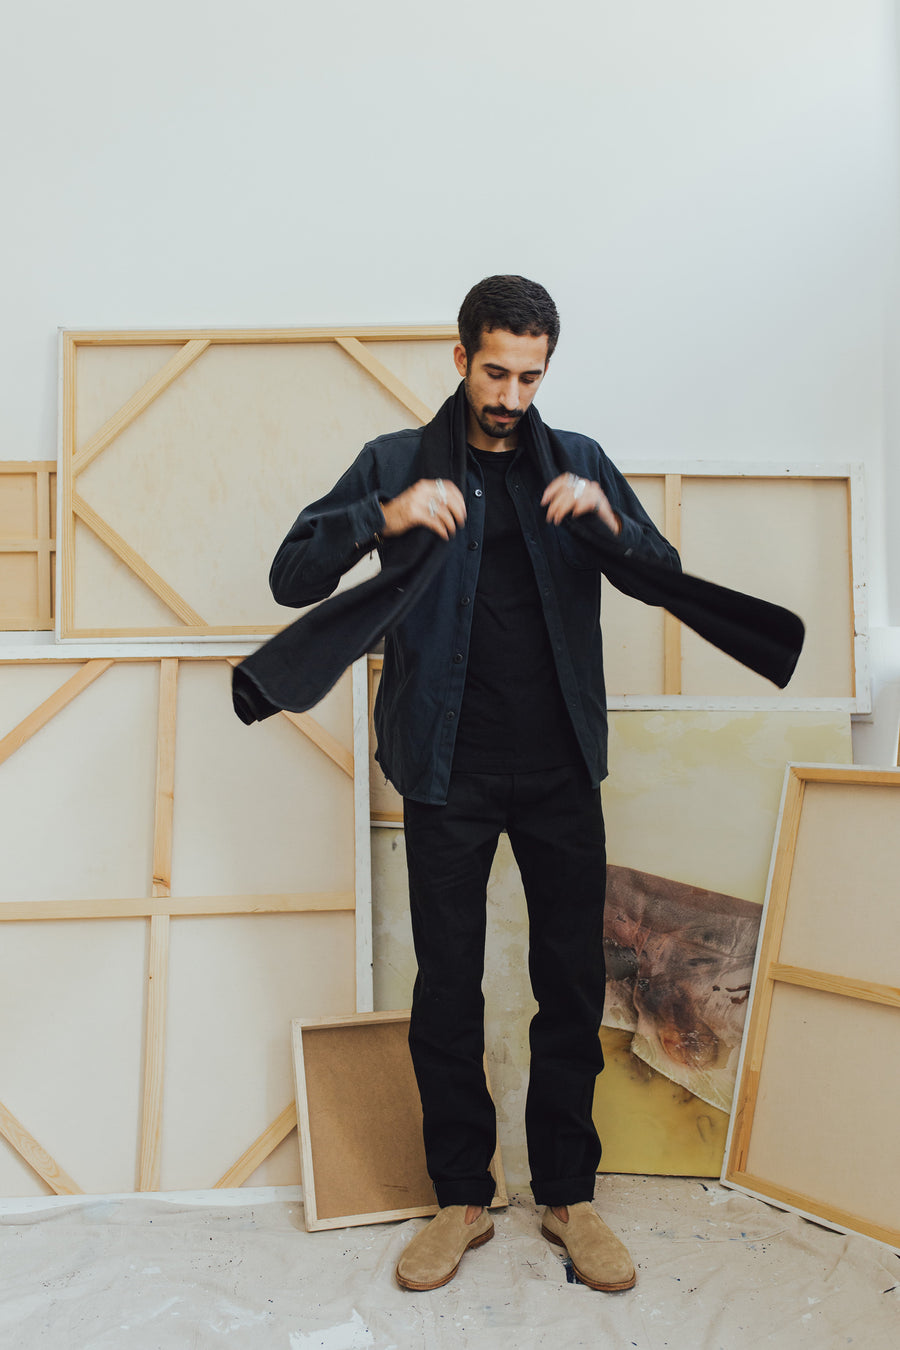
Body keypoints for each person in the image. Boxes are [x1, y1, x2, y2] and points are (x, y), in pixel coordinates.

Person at [268, 275, 681, 1292]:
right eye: (494, 369)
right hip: (443, 768)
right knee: (447, 990)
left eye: (529, 374)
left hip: (558, 770)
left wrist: (611, 524)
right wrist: (380, 514)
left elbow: (662, 573)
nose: (510, 392)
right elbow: (291, 576)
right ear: (460, 360)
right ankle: (461, 1198)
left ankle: (569, 1198)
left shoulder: (578, 463)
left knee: (572, 989)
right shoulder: (395, 464)